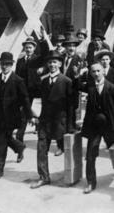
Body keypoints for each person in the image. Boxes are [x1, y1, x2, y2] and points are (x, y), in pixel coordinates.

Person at [30, 50, 74, 189]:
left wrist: (70, 126)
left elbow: (71, 106)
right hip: (45, 121)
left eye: (55, 62)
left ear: (60, 63)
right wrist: (35, 116)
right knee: (41, 148)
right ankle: (44, 177)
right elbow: (38, 100)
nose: (52, 65)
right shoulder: (43, 81)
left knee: (68, 149)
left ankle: (73, 175)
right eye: (49, 62)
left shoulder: (66, 81)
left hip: (60, 122)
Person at [0, 52, 33, 181]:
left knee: (1, 143)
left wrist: (29, 116)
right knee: (6, 139)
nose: (4, 67)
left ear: (12, 65)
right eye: (2, 64)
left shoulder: (18, 81)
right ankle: (19, 146)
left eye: (7, 64)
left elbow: (25, 99)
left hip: (11, 118)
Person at [81, 62, 114, 193]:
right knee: (90, 155)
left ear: (103, 72)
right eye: (93, 71)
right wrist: (79, 74)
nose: (96, 74)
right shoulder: (90, 87)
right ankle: (91, 182)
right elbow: (76, 86)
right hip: (95, 126)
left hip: (110, 126)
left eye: (98, 71)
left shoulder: (111, 88)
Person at [15, 36, 47, 143]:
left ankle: (39, 128)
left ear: (34, 48)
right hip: (24, 91)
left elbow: (45, 54)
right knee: (24, 112)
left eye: (30, 47)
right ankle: (20, 138)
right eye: (26, 47)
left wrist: (43, 41)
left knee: (34, 111)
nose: (28, 49)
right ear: (24, 48)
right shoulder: (20, 61)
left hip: (36, 90)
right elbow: (17, 76)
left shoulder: (37, 59)